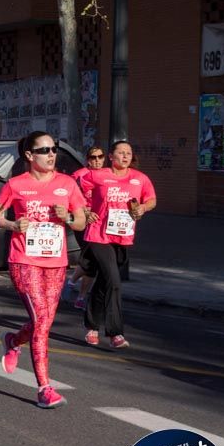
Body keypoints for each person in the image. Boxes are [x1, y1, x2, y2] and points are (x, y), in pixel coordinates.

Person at [0, 131, 87, 409]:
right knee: (42, 320)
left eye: (53, 148)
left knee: (43, 322)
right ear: (29, 156)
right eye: (44, 150)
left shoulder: (67, 184)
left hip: (55, 263)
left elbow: (80, 222)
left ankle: (13, 340)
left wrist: (66, 217)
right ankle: (45, 388)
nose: (51, 154)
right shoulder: (16, 184)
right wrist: (11, 225)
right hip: (24, 259)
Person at [79, 140, 156, 348]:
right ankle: (115, 333)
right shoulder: (97, 175)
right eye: (121, 153)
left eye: (129, 153)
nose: (125, 156)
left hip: (122, 236)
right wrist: (85, 210)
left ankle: (91, 326)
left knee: (105, 282)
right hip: (98, 235)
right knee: (114, 280)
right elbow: (75, 191)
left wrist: (143, 209)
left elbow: (151, 199)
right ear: (111, 156)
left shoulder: (139, 179)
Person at [67, 146, 106, 309]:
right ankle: (81, 296)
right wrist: (85, 211)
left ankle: (71, 284)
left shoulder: (108, 175)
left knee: (93, 261)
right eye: (92, 157)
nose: (96, 160)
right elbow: (70, 197)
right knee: (93, 260)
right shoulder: (79, 175)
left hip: (101, 223)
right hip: (84, 222)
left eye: (100, 156)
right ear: (87, 159)